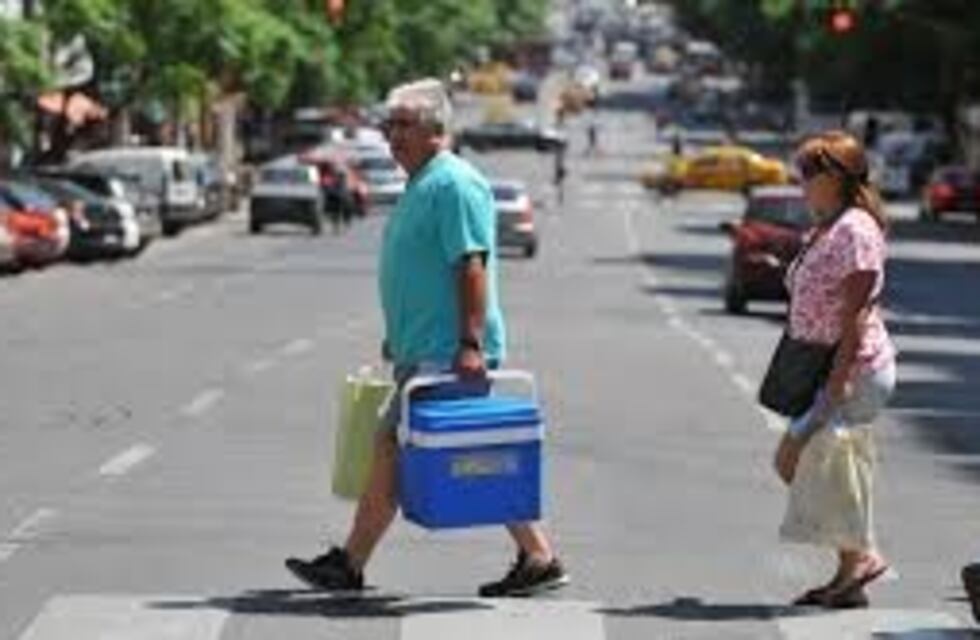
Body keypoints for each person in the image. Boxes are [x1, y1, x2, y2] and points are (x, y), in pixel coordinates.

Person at [285, 78, 569, 598]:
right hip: (426, 350)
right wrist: (401, 339)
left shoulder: (453, 184)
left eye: (403, 125)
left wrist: (470, 343)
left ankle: (349, 564)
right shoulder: (424, 181)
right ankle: (537, 555)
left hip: (448, 354)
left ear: (437, 130)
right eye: (388, 125)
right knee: (450, 452)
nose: (392, 136)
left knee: (394, 450)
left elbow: (471, 265)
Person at [773, 130, 897, 609]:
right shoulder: (830, 225)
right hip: (826, 366)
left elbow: (858, 314)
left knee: (801, 459)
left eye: (809, 174)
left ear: (836, 179)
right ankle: (849, 575)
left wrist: (837, 380)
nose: (801, 182)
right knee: (817, 464)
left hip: (853, 369)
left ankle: (862, 556)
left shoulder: (856, 231)